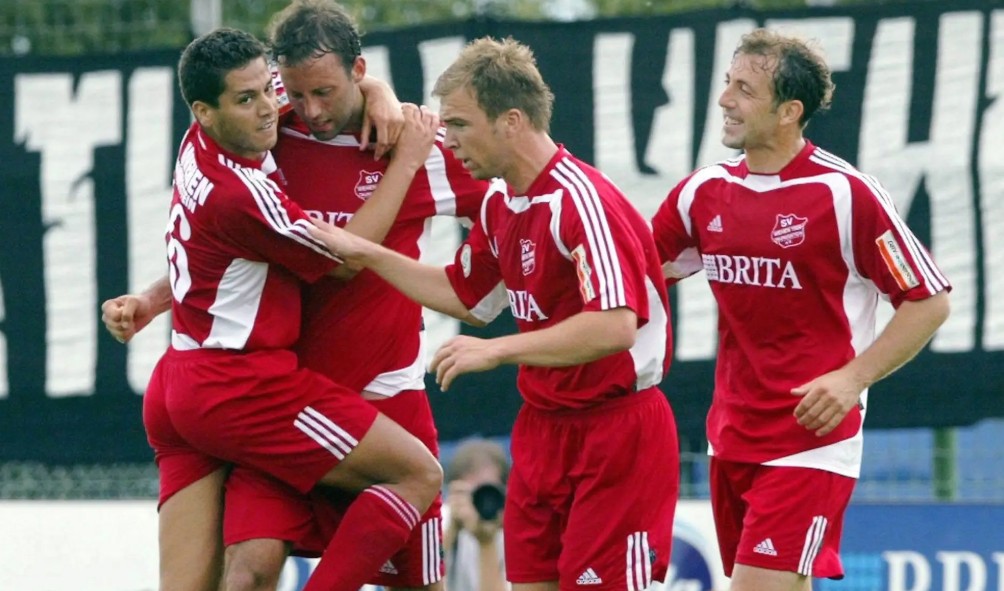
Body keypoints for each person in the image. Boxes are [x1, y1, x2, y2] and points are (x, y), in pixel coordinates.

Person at [307, 36, 680, 591]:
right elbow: (468, 298)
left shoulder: (581, 201)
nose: (449, 140)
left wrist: (498, 351)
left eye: (459, 124)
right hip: (542, 427)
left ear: (511, 121)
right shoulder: (502, 202)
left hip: (616, 431)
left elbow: (615, 325)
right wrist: (367, 254)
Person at [123, 27, 444, 591]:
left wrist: (379, 92)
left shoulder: (201, 137)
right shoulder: (242, 193)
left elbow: (327, 79)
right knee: (418, 474)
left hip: (178, 378)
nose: (272, 108)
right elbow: (344, 260)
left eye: (269, 91)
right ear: (204, 111)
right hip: (240, 387)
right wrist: (406, 162)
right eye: (248, 100)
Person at [649, 28, 951, 591]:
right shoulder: (703, 192)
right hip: (730, 434)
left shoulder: (846, 194)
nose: (725, 100)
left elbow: (929, 300)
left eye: (745, 89)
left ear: (790, 111)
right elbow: (633, 276)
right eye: (727, 83)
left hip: (812, 442)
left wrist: (852, 379)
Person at [219, 2, 490, 590]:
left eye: (325, 92)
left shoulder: (416, 146)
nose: (311, 110)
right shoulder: (266, 137)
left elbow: (507, 198)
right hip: (287, 404)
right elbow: (214, 228)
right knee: (247, 572)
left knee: (419, 584)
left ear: (357, 69)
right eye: (297, 93)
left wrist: (480, 284)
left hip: (387, 400)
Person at [443, 438, 510, 591]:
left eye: (489, 491)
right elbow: (420, 578)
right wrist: (452, 529)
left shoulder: (517, 534)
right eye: (475, 493)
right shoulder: (441, 520)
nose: (483, 501)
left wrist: (487, 541)